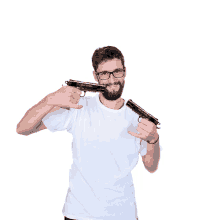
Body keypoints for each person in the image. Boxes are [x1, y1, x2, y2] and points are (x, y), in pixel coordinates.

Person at [16, 46, 161, 220]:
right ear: (95, 76)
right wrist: (50, 100)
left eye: (117, 72)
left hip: (124, 214)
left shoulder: (138, 118)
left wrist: (154, 139)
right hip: (79, 214)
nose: (112, 79)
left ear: (125, 72)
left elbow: (151, 167)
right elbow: (23, 128)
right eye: (104, 74)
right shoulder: (78, 107)